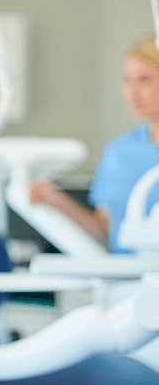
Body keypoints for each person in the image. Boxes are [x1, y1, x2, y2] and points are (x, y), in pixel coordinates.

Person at [29, 34, 159, 254]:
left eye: (144, 80)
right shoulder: (118, 153)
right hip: (124, 273)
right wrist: (58, 201)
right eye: (127, 80)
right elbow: (104, 230)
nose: (132, 92)